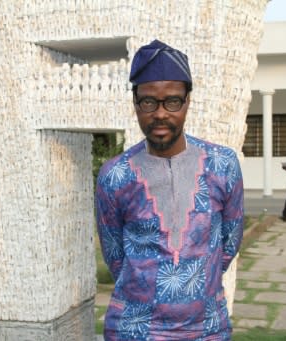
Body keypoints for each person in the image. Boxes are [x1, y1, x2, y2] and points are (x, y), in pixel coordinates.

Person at [95, 39, 244, 340]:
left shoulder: (222, 165)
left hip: (207, 329)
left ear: (187, 101)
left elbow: (228, 244)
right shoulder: (115, 175)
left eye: (172, 101)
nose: (160, 114)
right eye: (148, 102)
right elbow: (115, 257)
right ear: (135, 103)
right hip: (135, 330)